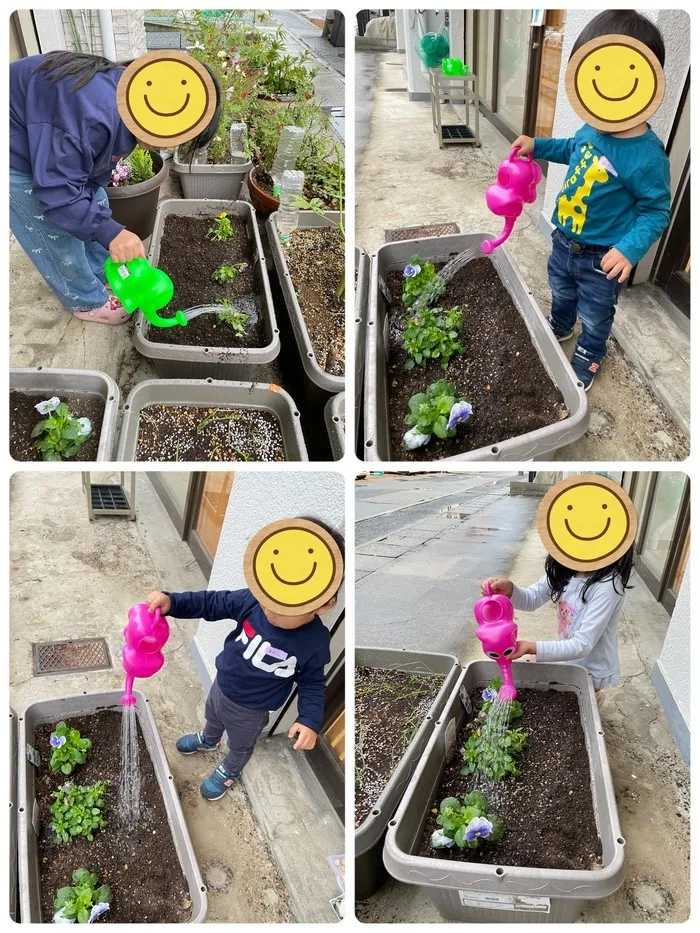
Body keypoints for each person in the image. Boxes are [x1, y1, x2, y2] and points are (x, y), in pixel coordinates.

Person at [512, 11, 671, 390]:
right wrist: (538, 146)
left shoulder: (647, 156)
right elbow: (570, 148)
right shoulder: (593, 126)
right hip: (563, 240)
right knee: (561, 290)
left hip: (602, 257)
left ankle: (590, 353)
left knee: (597, 312)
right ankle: (562, 326)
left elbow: (656, 210)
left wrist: (629, 250)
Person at [10, 51, 220, 324]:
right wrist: (110, 233)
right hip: (14, 155)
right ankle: (86, 301)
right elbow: (56, 191)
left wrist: (103, 224)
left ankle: (103, 271)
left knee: (96, 202)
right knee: (55, 234)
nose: (170, 147)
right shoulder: (90, 115)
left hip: (47, 140)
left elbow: (90, 170)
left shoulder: (127, 107)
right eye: (175, 134)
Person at [144, 534, 343, 801]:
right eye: (266, 598)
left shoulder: (314, 642)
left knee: (240, 744)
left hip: (251, 711)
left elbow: (312, 682)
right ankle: (209, 739)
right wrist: (174, 603)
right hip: (222, 685)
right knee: (212, 716)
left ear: (324, 604)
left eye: (281, 606)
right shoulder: (252, 601)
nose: (268, 609)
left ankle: (231, 769)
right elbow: (213, 603)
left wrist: (309, 719)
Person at [481, 543, 635, 696]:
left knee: (579, 697)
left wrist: (532, 647)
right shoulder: (566, 570)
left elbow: (582, 644)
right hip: (568, 656)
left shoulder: (607, 586)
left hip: (593, 667)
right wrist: (511, 590)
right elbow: (532, 598)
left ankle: (594, 698)